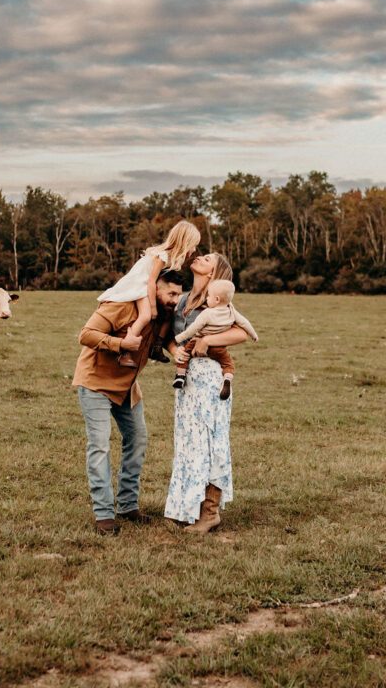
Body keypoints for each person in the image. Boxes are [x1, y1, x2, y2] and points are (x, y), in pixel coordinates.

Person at [74, 268, 185, 535]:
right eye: (171, 293)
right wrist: (121, 344)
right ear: (154, 287)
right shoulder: (121, 306)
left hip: (128, 387)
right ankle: (104, 515)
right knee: (100, 446)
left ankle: (127, 505)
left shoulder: (162, 314)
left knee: (137, 440)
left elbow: (165, 338)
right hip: (96, 383)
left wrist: (175, 351)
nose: (174, 300)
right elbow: (86, 335)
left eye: (178, 295)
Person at [164, 254, 252, 534]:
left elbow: (241, 332)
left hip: (211, 377)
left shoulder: (218, 300)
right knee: (190, 442)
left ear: (216, 272)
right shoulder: (184, 298)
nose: (200, 256)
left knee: (211, 440)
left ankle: (210, 512)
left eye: (208, 258)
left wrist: (208, 339)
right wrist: (173, 349)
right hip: (187, 379)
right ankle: (188, 507)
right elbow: (168, 333)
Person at [96, 220, 200, 366]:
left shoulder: (170, 258)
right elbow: (151, 281)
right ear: (185, 242)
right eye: (194, 244)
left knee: (165, 314)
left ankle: (156, 346)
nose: (194, 249)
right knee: (145, 316)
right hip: (138, 284)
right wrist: (152, 306)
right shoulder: (163, 256)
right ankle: (125, 351)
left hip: (144, 285)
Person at [172, 278, 258, 398]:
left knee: (185, 355)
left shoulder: (207, 313)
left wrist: (180, 338)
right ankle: (227, 378)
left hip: (196, 344)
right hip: (219, 349)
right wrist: (254, 335)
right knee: (228, 363)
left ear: (217, 299)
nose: (207, 299)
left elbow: (193, 329)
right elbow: (245, 322)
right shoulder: (230, 310)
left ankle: (180, 376)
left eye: (209, 297)